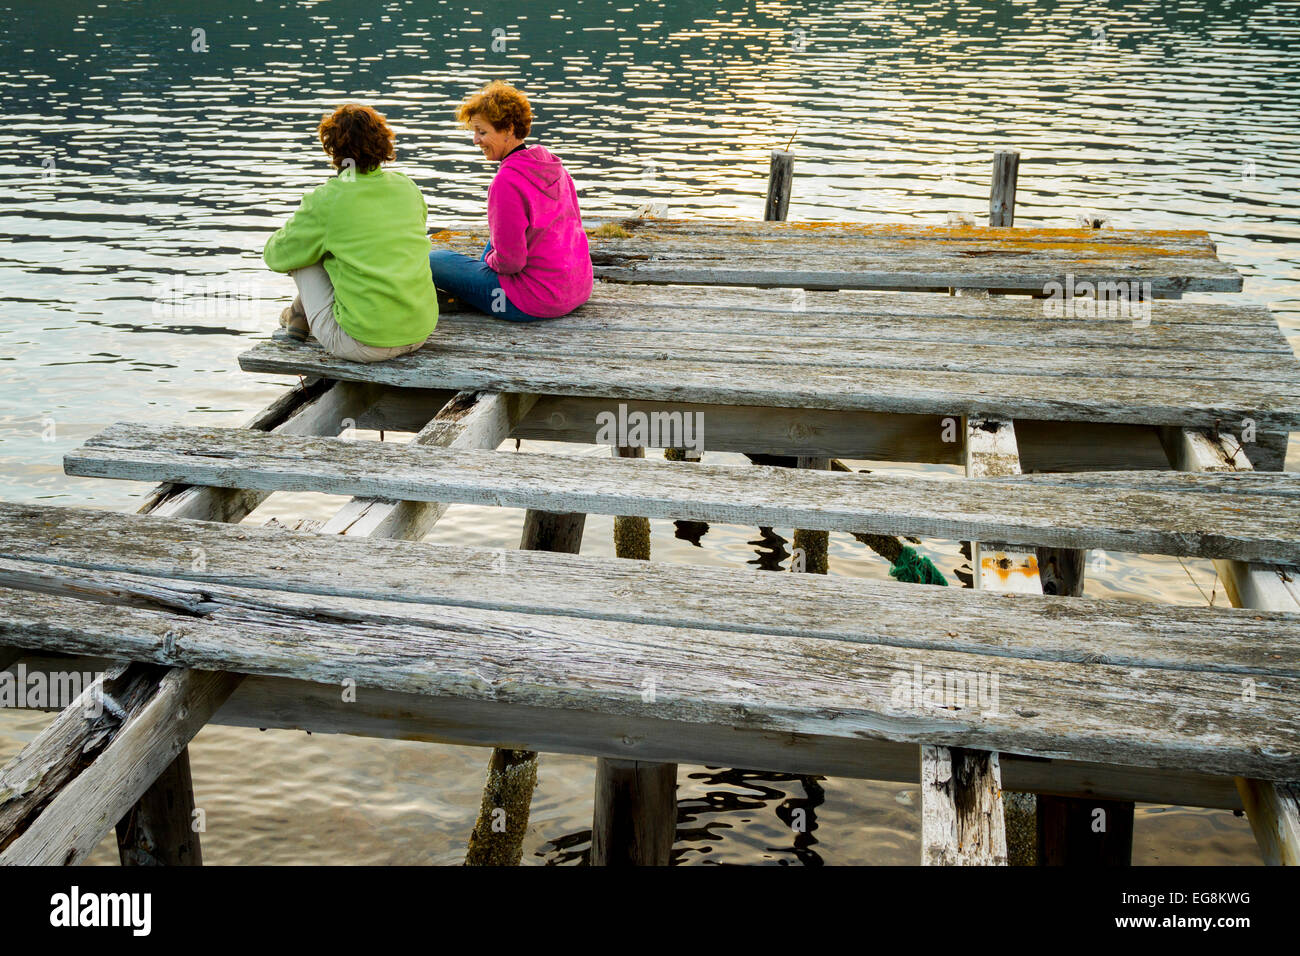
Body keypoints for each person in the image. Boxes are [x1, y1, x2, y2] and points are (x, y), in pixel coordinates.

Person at [264, 103, 437, 362]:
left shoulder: (328, 199)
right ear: (383, 144)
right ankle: (297, 315)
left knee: (302, 252)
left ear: (334, 150)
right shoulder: (407, 187)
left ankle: (297, 315)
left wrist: (316, 245)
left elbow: (276, 256)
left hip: (362, 344)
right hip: (420, 332)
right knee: (357, 246)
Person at [429, 81, 593, 320]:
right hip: (576, 288)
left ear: (508, 130)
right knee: (497, 237)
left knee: (433, 260)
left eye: (482, 132)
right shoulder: (551, 165)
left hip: (534, 300)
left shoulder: (506, 181)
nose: (475, 140)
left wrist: (489, 259)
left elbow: (511, 264)